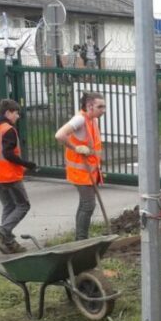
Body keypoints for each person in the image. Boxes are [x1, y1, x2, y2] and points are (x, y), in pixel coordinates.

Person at [0, 99, 37, 254]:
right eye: (16, 113)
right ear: (8, 113)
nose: (18, 116)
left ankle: (8, 243)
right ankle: (0, 233)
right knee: (23, 205)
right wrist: (27, 164)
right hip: (10, 175)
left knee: (9, 206)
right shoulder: (8, 129)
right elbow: (8, 154)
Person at [55, 91, 106, 240]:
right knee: (88, 205)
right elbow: (59, 135)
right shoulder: (80, 120)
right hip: (80, 172)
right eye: (100, 106)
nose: (103, 110)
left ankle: (80, 237)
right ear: (89, 106)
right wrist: (75, 148)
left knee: (85, 204)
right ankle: (81, 239)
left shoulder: (92, 120)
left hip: (89, 171)